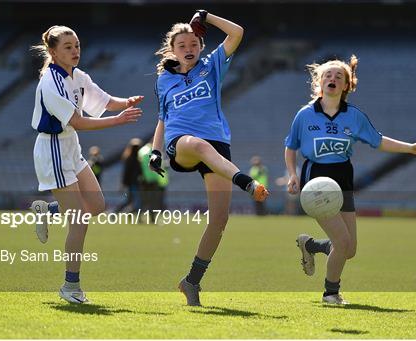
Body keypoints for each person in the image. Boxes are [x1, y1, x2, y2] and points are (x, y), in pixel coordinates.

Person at [285, 55, 416, 305]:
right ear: (319, 82)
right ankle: (331, 293)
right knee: (342, 242)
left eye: (338, 76)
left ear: (346, 85)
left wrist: (410, 148)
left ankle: (311, 245)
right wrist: (292, 174)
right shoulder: (304, 115)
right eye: (327, 75)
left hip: (343, 180)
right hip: (316, 181)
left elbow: (379, 140)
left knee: (349, 250)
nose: (332, 78)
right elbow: (291, 147)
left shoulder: (354, 116)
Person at [149, 10, 269, 306]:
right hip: (184, 145)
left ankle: (191, 281)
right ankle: (246, 182)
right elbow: (163, 120)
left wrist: (207, 16)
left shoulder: (211, 65)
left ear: (201, 47)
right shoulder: (164, 81)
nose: (188, 49)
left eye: (193, 44)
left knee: (219, 219)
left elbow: (238, 31)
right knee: (199, 145)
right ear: (172, 50)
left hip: (218, 146)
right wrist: (155, 150)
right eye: (182, 46)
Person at [28, 25, 143, 304]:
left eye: (77, 45)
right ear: (53, 52)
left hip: (71, 147)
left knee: (96, 206)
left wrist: (125, 102)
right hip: (53, 148)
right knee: (79, 221)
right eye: (67, 47)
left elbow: (102, 101)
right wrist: (118, 120)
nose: (75, 50)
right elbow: (77, 121)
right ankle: (70, 286)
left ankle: (47, 210)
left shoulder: (78, 76)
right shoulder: (50, 82)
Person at [114, 138, 143, 214]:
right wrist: (123, 184)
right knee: (135, 201)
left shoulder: (135, 159)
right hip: (132, 183)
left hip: (134, 183)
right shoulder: (130, 159)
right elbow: (126, 173)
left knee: (130, 201)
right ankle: (118, 212)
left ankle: (117, 212)